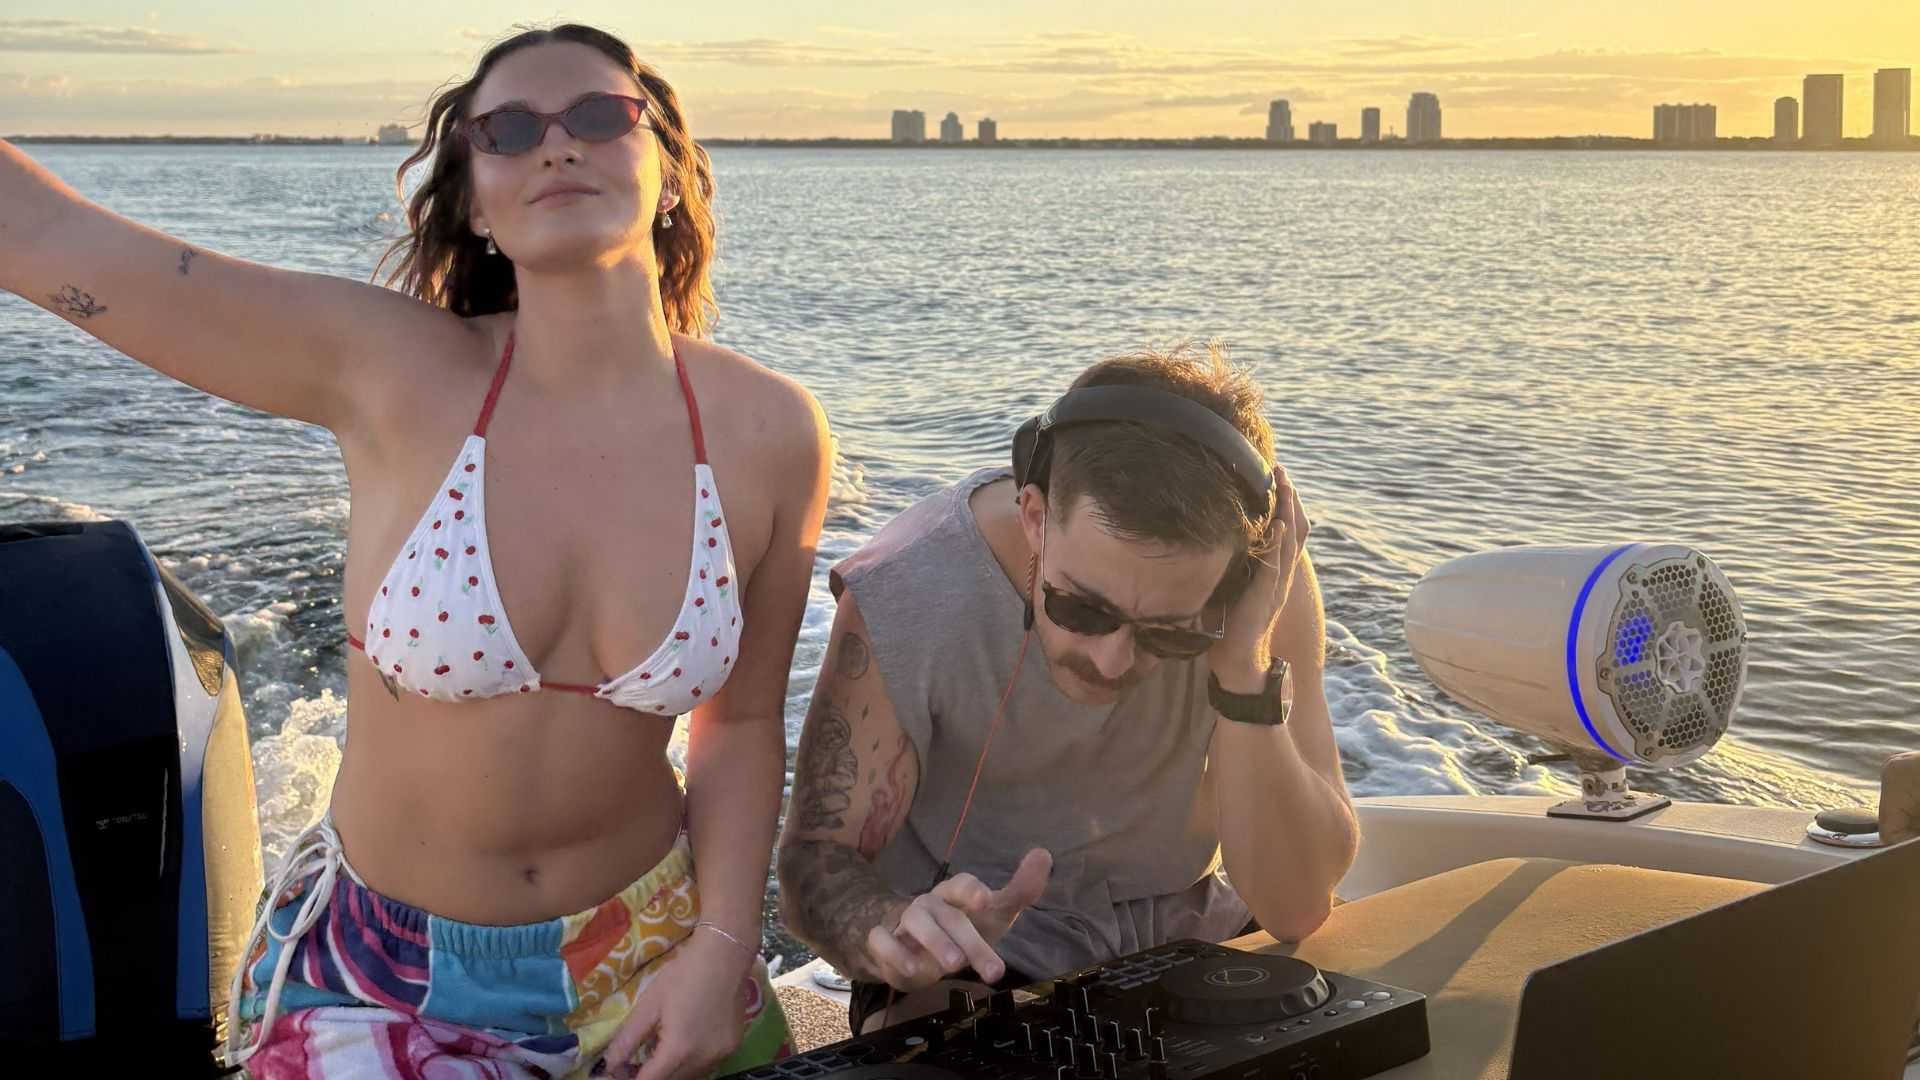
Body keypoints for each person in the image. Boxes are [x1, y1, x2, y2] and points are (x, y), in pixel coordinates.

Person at [0, 23, 829, 1079]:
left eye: (599, 116)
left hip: (654, 944)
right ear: (476, 204)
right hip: (383, 976)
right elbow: (45, 237)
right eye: (511, 128)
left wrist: (722, 948)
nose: (557, 145)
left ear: (667, 167)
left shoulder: (770, 431)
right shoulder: (390, 371)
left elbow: (743, 723)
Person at [776, 344, 1357, 1034]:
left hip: (1191, 934)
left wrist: (1241, 668)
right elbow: (815, 863)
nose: (1112, 661)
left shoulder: (1261, 595)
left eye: (1168, 633)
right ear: (1034, 517)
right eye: (1083, 609)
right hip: (977, 958)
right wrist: (892, 927)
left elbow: (1295, 909)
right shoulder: (912, 590)